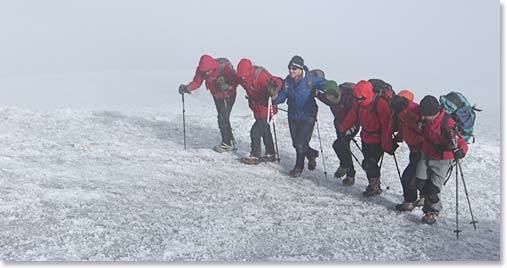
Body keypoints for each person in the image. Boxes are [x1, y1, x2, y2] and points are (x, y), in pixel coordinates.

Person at [268, 55, 327, 177]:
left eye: (294, 68)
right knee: (296, 144)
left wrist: (331, 90)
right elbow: (281, 98)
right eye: (289, 68)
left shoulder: (310, 80)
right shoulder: (287, 82)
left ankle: (298, 168)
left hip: (308, 116)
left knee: (300, 143)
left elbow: (325, 84)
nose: (291, 71)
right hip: (293, 116)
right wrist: (273, 95)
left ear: (301, 69)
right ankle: (311, 153)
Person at [339, 80, 396, 197]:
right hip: (365, 137)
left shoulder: (380, 103)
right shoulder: (359, 101)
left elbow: (387, 125)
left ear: (367, 94)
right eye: (357, 98)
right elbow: (353, 115)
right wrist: (343, 128)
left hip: (378, 139)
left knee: (369, 163)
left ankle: (374, 186)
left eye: (361, 99)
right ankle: (373, 185)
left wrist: (387, 143)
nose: (359, 101)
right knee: (369, 162)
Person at [416, 95, 468, 224]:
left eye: (426, 115)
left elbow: (461, 142)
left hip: (443, 159)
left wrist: (461, 151)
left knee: (433, 189)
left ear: (434, 113)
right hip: (427, 154)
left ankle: (432, 211)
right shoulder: (426, 121)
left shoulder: (448, 123)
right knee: (420, 182)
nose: (424, 118)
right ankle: (428, 203)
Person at [179, 55, 238, 153]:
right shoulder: (201, 70)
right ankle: (230, 140)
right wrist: (187, 88)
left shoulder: (224, 67)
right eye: (204, 72)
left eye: (208, 71)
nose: (206, 74)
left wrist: (227, 87)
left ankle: (226, 143)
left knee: (222, 118)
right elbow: (197, 82)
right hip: (216, 95)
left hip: (228, 95)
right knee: (224, 117)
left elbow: (235, 81)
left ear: (212, 67)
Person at [236, 58, 282, 164]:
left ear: (249, 71)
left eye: (244, 76)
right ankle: (271, 154)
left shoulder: (261, 75)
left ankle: (254, 156)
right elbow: (234, 80)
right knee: (265, 131)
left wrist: (274, 88)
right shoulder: (241, 77)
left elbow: (279, 81)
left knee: (255, 132)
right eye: (240, 76)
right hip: (257, 108)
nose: (242, 78)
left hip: (267, 108)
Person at [316, 81, 358, 185]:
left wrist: (349, 129)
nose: (328, 98)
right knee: (344, 148)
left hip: (351, 125)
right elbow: (326, 100)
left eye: (329, 95)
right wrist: (317, 94)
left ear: (336, 93)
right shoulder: (331, 97)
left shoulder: (348, 99)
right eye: (327, 95)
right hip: (339, 124)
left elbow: (355, 115)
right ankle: (350, 174)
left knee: (339, 145)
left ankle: (345, 167)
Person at [390, 90, 425, 211]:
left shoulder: (414, 114)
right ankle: (420, 198)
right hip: (414, 150)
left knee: (409, 177)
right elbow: (404, 128)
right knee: (416, 177)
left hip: (421, 151)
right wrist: (397, 139)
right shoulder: (403, 113)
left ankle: (412, 201)